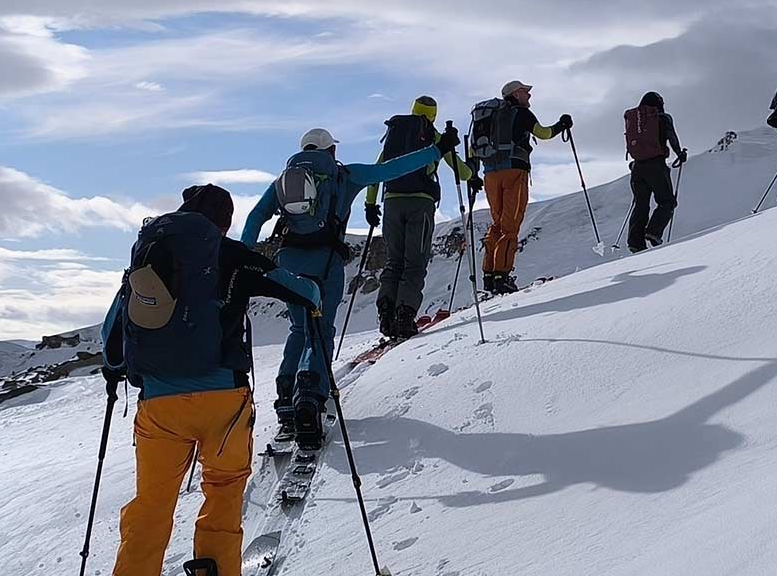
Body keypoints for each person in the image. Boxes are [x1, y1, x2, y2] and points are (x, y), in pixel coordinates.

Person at [85, 184, 322, 576]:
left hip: (158, 407)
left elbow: (110, 338)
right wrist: (314, 301)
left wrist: (122, 371)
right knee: (223, 486)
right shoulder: (230, 253)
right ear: (224, 221)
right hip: (223, 400)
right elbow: (300, 291)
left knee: (151, 509)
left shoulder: (149, 255)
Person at [241, 125, 458, 448]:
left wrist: (245, 256)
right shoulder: (345, 175)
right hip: (325, 262)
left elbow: (256, 216)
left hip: (289, 260)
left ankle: (286, 399)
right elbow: (391, 169)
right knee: (320, 330)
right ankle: (309, 400)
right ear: (331, 150)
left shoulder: (284, 181)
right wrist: (437, 150)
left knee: (299, 329)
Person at [363, 96, 474, 340]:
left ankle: (386, 314)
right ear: (433, 114)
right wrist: (473, 170)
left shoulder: (395, 135)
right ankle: (405, 316)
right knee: (414, 263)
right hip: (420, 204)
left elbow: (377, 172)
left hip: (391, 202)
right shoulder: (434, 137)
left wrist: (370, 205)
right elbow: (463, 173)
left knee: (394, 262)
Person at [472, 80, 570, 293]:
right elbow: (543, 134)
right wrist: (562, 125)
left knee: (497, 223)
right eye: (525, 91)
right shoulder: (522, 114)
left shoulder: (489, 116)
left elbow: (474, 149)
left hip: (490, 174)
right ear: (516, 94)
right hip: (515, 171)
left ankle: (489, 275)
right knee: (510, 224)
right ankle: (502, 277)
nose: (529, 95)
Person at [623, 91, 687, 253]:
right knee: (667, 201)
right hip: (656, 165)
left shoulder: (634, 118)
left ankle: (635, 243)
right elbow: (671, 137)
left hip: (637, 168)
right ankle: (654, 232)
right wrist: (679, 153)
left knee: (641, 205)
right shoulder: (662, 118)